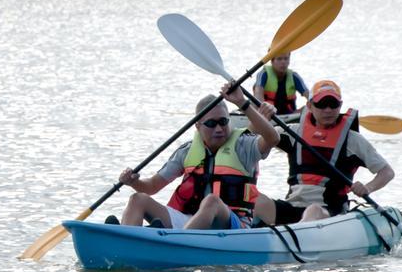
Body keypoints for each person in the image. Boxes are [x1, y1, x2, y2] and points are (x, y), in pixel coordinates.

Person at [111, 84, 279, 230]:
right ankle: (125, 240)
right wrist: (133, 182)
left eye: (223, 121)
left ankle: (175, 244)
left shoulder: (244, 145)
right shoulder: (187, 151)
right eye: (211, 124)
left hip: (234, 225)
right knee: (137, 199)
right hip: (190, 221)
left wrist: (242, 103)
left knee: (212, 201)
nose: (219, 129)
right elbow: (152, 186)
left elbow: (273, 138)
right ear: (198, 126)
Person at [254, 79, 395, 225]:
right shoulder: (293, 132)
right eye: (321, 104)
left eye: (333, 104)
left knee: (313, 210)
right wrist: (254, 114)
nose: (328, 110)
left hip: (330, 213)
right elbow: (251, 138)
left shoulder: (353, 140)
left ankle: (295, 236)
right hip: (292, 207)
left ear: (340, 105)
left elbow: (387, 172)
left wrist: (367, 188)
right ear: (309, 106)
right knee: (256, 200)